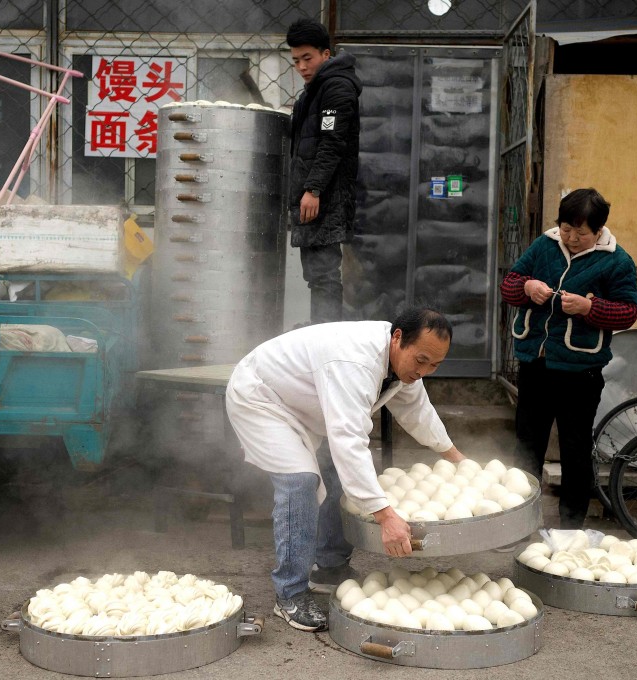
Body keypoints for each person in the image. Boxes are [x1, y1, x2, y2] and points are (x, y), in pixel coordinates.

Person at [225, 307, 466, 632]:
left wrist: (454, 457)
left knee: (340, 472)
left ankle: (330, 566)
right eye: (421, 360)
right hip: (261, 399)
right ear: (398, 339)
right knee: (300, 482)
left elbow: (417, 411)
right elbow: (349, 439)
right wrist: (385, 516)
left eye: (434, 365)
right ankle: (290, 595)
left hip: (299, 407)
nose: (424, 370)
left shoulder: (403, 364)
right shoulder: (355, 362)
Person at [500, 187, 637, 530]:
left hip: (580, 373)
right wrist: (527, 287)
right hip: (536, 365)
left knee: (575, 452)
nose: (573, 238)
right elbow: (510, 284)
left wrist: (591, 308)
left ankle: (570, 529)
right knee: (526, 447)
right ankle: (517, 522)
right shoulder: (544, 246)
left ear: (599, 231)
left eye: (582, 233)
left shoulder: (616, 261)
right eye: (566, 229)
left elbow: (627, 312)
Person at [286, 18, 361, 324]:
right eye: (296, 60)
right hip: (315, 196)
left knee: (324, 274)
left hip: (325, 197)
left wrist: (313, 189)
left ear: (326, 54)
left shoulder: (336, 88)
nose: (302, 66)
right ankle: (320, 335)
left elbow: (332, 143)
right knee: (317, 275)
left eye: (308, 58)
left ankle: (326, 339)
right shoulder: (314, 92)